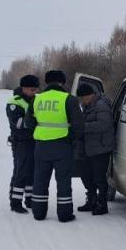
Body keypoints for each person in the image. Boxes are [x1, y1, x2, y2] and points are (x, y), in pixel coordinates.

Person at [24, 70, 85, 222]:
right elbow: (79, 126)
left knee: (40, 180)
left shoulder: (36, 100)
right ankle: (64, 215)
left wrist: (40, 134)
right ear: (62, 82)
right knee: (63, 180)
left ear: (46, 82)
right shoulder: (69, 99)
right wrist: (70, 139)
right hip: (62, 146)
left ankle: (38, 213)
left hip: (41, 146)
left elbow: (29, 123)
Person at [75, 84, 115, 215]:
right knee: (86, 175)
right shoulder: (86, 105)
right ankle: (91, 200)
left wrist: (83, 126)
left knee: (99, 177)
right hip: (89, 147)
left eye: (83, 98)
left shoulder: (101, 105)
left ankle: (102, 204)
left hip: (101, 148)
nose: (82, 101)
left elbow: (104, 124)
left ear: (90, 95)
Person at [6, 74, 39, 213]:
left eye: (36, 89)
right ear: (24, 88)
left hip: (35, 141)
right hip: (21, 142)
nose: (34, 92)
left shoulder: (37, 99)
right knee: (21, 172)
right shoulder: (15, 102)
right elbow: (18, 123)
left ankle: (30, 200)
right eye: (32, 90)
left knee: (32, 172)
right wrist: (35, 121)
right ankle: (15, 202)